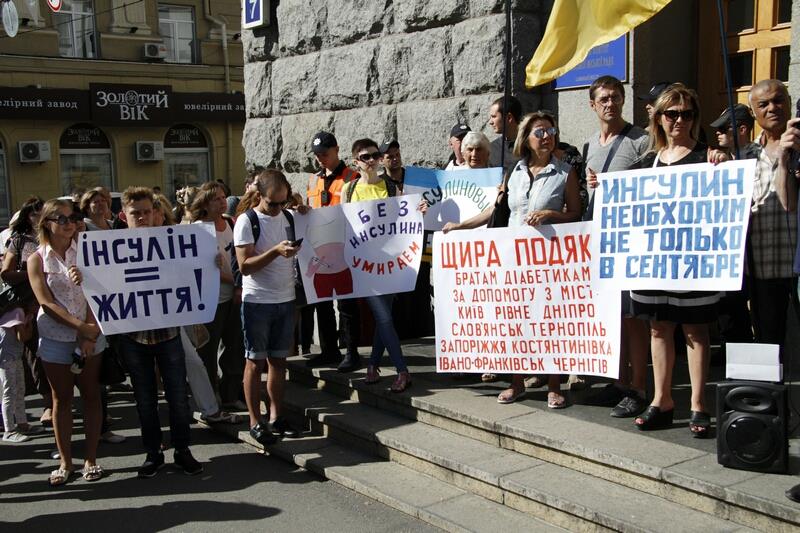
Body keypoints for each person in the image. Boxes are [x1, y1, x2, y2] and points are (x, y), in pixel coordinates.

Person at [629, 84, 726, 437]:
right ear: (659, 118)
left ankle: (699, 405)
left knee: (696, 330)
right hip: (655, 261)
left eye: (687, 113)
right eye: (672, 113)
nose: (679, 120)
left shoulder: (707, 158)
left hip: (693, 260)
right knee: (659, 327)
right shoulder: (644, 165)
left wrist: (723, 161)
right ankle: (662, 400)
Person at [114, 187, 203, 478]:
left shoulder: (172, 241)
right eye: (134, 213)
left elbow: (191, 271)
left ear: (155, 213)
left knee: (178, 397)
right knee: (145, 400)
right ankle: (153, 453)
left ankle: (182, 450)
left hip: (168, 335)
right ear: (124, 215)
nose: (141, 217)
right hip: (134, 339)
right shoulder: (111, 248)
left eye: (146, 212)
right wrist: (83, 277)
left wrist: (209, 266)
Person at [496, 111, 582, 407]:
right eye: (539, 132)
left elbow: (576, 213)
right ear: (526, 139)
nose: (546, 137)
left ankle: (554, 384)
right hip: (515, 258)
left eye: (550, 131)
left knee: (550, 322)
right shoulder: (514, 173)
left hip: (550, 259)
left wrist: (551, 215)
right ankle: (516, 382)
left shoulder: (564, 172)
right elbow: (504, 212)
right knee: (517, 321)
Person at [581, 75, 650, 418]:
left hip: (631, 240)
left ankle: (638, 386)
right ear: (593, 105)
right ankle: (618, 381)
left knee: (634, 317)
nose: (611, 104)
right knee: (613, 316)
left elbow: (652, 185)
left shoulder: (641, 141)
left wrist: (614, 183)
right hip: (601, 240)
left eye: (616, 97)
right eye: (604, 99)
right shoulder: (590, 144)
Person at [28, 199, 106, 485]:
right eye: (61, 219)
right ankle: (65, 462)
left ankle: (91, 459)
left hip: (91, 332)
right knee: (61, 399)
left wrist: (90, 331)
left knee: (90, 395)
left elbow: (102, 291)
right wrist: (80, 329)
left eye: (73, 217)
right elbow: (46, 303)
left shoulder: (87, 249)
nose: (69, 223)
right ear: (47, 223)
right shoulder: (37, 258)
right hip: (55, 337)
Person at [150, 195, 241, 425]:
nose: (150, 216)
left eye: (155, 211)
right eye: (143, 212)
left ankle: (209, 409)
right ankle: (157, 424)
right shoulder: (127, 242)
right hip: (147, 317)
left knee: (194, 361)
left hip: (177, 312)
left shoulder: (179, 238)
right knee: (151, 371)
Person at [235, 169, 302, 444]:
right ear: (258, 195)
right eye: (272, 203)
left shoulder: (287, 216)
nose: (277, 209)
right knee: (255, 361)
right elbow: (244, 266)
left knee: (279, 361)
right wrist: (275, 251)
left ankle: (276, 415)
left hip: (285, 299)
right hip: (257, 301)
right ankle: (255, 419)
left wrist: (303, 210)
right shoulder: (246, 221)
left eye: (282, 202)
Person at [341, 139, 412, 392]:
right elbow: (343, 225)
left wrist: (418, 210)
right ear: (355, 162)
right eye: (365, 157)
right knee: (383, 316)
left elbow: (405, 219)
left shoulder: (391, 187)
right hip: (365, 265)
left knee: (385, 318)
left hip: (390, 262)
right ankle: (402, 370)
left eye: (374, 155)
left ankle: (372, 364)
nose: (371, 160)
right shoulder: (348, 190)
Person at [743, 80, 797, 353]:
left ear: (789, 102)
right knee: (768, 345)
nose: (772, 108)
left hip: (797, 266)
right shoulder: (745, 157)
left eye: (778, 100)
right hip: (762, 267)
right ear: (753, 112)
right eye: (763, 104)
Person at [305, 131, 361, 371]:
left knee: (347, 304)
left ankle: (352, 351)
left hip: (345, 248)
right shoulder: (313, 180)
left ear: (337, 150)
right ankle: (329, 350)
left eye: (325, 154)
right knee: (322, 303)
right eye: (317, 155)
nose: (320, 159)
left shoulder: (352, 177)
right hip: (320, 249)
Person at [189, 182, 246, 410]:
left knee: (234, 347)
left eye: (224, 197)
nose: (223, 202)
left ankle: (230, 395)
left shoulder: (231, 222)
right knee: (208, 351)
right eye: (216, 199)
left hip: (235, 296)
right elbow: (205, 266)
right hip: (211, 298)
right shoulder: (199, 228)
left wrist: (239, 286)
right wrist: (236, 282)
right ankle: (209, 399)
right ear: (205, 203)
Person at [0, 197, 51, 426]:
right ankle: (47, 405)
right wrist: (33, 273)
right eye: (33, 214)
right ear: (26, 217)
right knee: (35, 357)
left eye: (43, 213)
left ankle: (58, 403)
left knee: (54, 357)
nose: (38, 218)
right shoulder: (19, 240)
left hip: (55, 303)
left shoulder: (56, 237)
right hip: (28, 307)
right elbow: (6, 273)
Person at [0, 304, 36, 442]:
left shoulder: (19, 312)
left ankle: (22, 424)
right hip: (6, 359)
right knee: (9, 393)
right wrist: (30, 323)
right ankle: (9, 430)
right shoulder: (18, 312)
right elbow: (23, 337)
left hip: (14, 356)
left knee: (20, 389)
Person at [488, 95, 523, 173]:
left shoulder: (531, 145)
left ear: (509, 118)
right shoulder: (492, 148)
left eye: (494, 116)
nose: (490, 122)